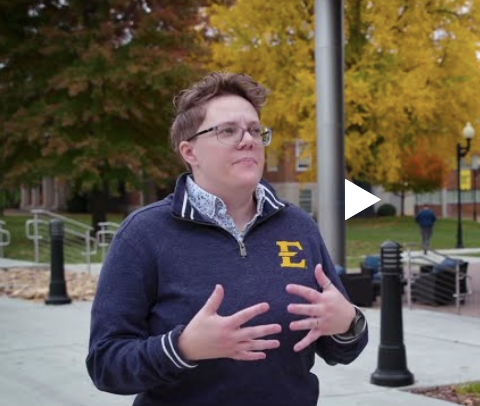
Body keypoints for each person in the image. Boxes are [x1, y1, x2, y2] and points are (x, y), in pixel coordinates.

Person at [86, 72, 368, 406]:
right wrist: (183, 348)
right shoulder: (144, 234)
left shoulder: (299, 226)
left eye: (254, 130)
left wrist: (348, 323)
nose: (248, 139)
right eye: (227, 131)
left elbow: (341, 350)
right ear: (190, 152)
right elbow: (105, 364)